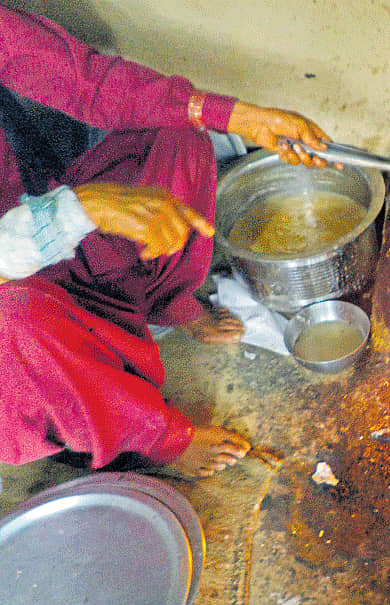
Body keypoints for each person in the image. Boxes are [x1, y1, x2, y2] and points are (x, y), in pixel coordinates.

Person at [0, 6, 331, 478]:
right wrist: (76, 211)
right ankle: (154, 440)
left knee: (173, 133)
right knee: (12, 324)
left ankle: (163, 303)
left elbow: (86, 82)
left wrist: (234, 115)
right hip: (11, 310)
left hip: (32, 226)